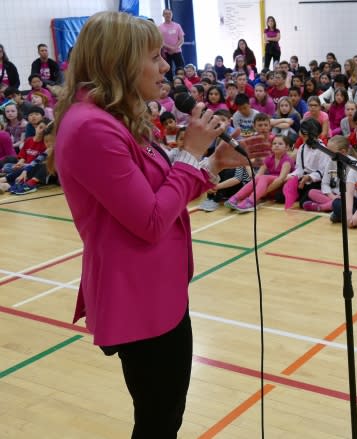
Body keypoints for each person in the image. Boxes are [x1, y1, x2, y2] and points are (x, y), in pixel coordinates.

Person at [51, 11, 245, 437]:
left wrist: (210, 162)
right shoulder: (91, 128)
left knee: (165, 415)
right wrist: (191, 155)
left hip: (158, 291)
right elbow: (153, 221)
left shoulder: (113, 117)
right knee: (158, 421)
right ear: (119, 61)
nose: (165, 68)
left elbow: (159, 195)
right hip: (138, 298)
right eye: (155, 57)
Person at [158, 9, 185, 82]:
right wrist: (170, 48)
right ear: (163, 15)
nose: (168, 15)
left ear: (172, 15)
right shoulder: (160, 27)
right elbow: (160, 41)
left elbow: (182, 39)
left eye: (169, 13)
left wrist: (174, 48)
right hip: (166, 53)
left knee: (181, 68)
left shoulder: (177, 26)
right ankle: (170, 85)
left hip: (177, 52)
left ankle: (181, 83)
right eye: (166, 14)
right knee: (168, 71)